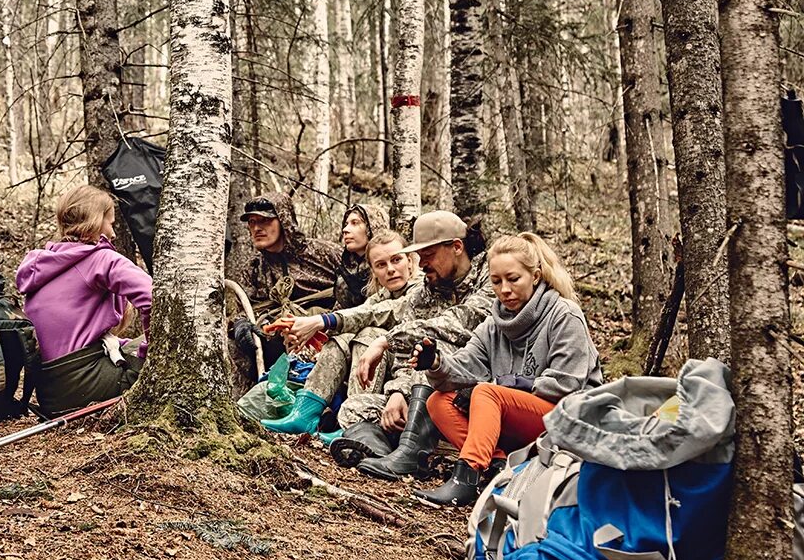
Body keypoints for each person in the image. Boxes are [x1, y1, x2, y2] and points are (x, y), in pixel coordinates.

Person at [409, 232, 603, 507]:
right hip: (519, 421)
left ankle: (466, 477)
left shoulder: (564, 314)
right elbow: (466, 366)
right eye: (496, 281)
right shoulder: (494, 324)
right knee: (438, 401)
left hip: (567, 423)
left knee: (487, 392)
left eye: (513, 279)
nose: (504, 290)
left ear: (535, 276)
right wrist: (437, 364)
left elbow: (567, 383)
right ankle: (499, 467)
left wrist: (509, 383)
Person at [328, 210, 494, 480]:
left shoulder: (491, 277)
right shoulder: (427, 289)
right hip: (424, 396)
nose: (423, 264)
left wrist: (386, 339)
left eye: (428, 255)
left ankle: (409, 451)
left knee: (436, 349)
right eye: (420, 256)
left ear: (456, 247)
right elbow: (407, 355)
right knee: (353, 408)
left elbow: (460, 323)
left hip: (473, 392)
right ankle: (388, 451)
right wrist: (399, 393)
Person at [258, 229, 416, 435]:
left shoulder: (420, 290)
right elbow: (364, 311)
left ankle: (352, 425)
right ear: (374, 271)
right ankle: (304, 414)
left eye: (397, 260)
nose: (391, 269)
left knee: (370, 333)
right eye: (381, 265)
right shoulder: (382, 295)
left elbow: (378, 313)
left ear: (410, 262)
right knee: (343, 338)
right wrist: (314, 331)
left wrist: (322, 321)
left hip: (409, 380)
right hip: (384, 380)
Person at [15, 185, 152, 416]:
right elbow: (155, 297)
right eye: (110, 223)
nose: (114, 233)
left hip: (49, 393)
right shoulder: (101, 259)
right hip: (85, 384)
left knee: (129, 343)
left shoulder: (43, 265)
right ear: (96, 222)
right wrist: (150, 350)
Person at [230, 192, 342, 387]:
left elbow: (357, 289)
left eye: (264, 221)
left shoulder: (325, 254)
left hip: (324, 334)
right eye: (252, 222)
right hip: (274, 343)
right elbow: (242, 310)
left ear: (284, 220)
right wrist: (240, 325)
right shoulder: (253, 269)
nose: (256, 228)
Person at [333, 202, 390, 310]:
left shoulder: (390, 267)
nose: (345, 229)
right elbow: (339, 308)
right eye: (346, 224)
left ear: (372, 227)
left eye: (355, 223)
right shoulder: (347, 268)